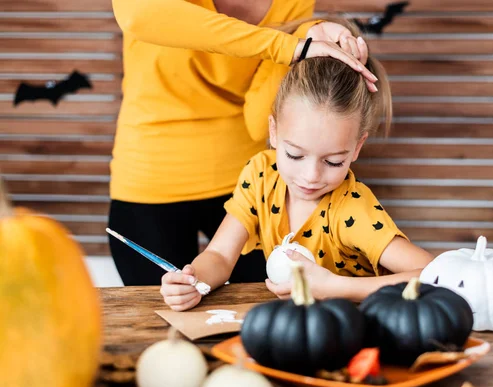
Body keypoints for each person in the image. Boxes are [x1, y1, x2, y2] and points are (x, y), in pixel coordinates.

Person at [159, 20, 435, 311]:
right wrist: (194, 280)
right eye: (294, 155)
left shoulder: (351, 210)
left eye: (332, 161)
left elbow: (436, 275)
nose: (311, 176)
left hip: (355, 328)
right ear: (274, 131)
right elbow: (220, 256)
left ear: (357, 147)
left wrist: (338, 288)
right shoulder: (261, 175)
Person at [108, 0, 378, 285]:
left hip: (249, 187)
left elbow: (257, 121)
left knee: (263, 316)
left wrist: (304, 40)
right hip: (149, 181)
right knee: (164, 315)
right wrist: (290, 46)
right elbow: (138, 15)